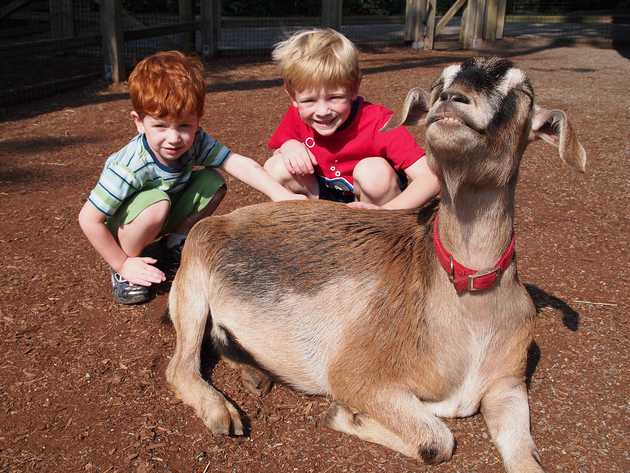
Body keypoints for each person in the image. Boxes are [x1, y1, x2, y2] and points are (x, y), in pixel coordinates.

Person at [79, 50, 305, 305]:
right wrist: (121, 263)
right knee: (157, 204)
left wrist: (279, 193)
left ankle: (174, 242)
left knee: (212, 181)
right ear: (139, 122)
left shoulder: (196, 141)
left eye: (184, 125)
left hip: (164, 209)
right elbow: (89, 220)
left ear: (198, 120)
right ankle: (128, 268)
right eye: (160, 126)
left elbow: (235, 162)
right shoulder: (129, 165)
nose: (174, 138)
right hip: (130, 225)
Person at [264, 28, 440, 209]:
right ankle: (307, 232)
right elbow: (278, 149)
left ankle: (378, 232)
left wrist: (385, 212)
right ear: (293, 97)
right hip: (322, 203)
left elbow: (430, 178)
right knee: (276, 167)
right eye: (309, 100)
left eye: (334, 97)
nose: (322, 111)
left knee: (374, 172)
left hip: (371, 209)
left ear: (354, 89)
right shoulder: (298, 117)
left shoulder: (379, 122)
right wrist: (287, 146)